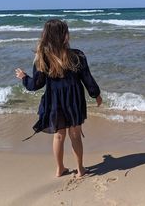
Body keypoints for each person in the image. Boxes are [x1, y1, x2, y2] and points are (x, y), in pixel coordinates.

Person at [15, 19, 102, 178]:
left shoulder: (43, 57)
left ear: (46, 36)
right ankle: (80, 169)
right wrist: (96, 94)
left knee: (59, 135)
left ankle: (59, 169)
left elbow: (36, 84)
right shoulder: (77, 55)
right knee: (75, 134)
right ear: (64, 36)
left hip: (54, 100)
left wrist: (24, 77)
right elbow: (87, 78)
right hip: (74, 99)